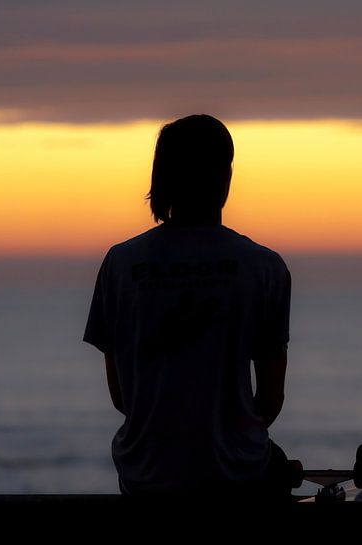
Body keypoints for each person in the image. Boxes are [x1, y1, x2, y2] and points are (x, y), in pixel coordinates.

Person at [83, 114, 292, 499]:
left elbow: (123, 397)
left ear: (162, 177)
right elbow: (269, 402)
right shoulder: (264, 267)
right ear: (226, 176)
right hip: (234, 473)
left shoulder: (120, 264)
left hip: (144, 474)